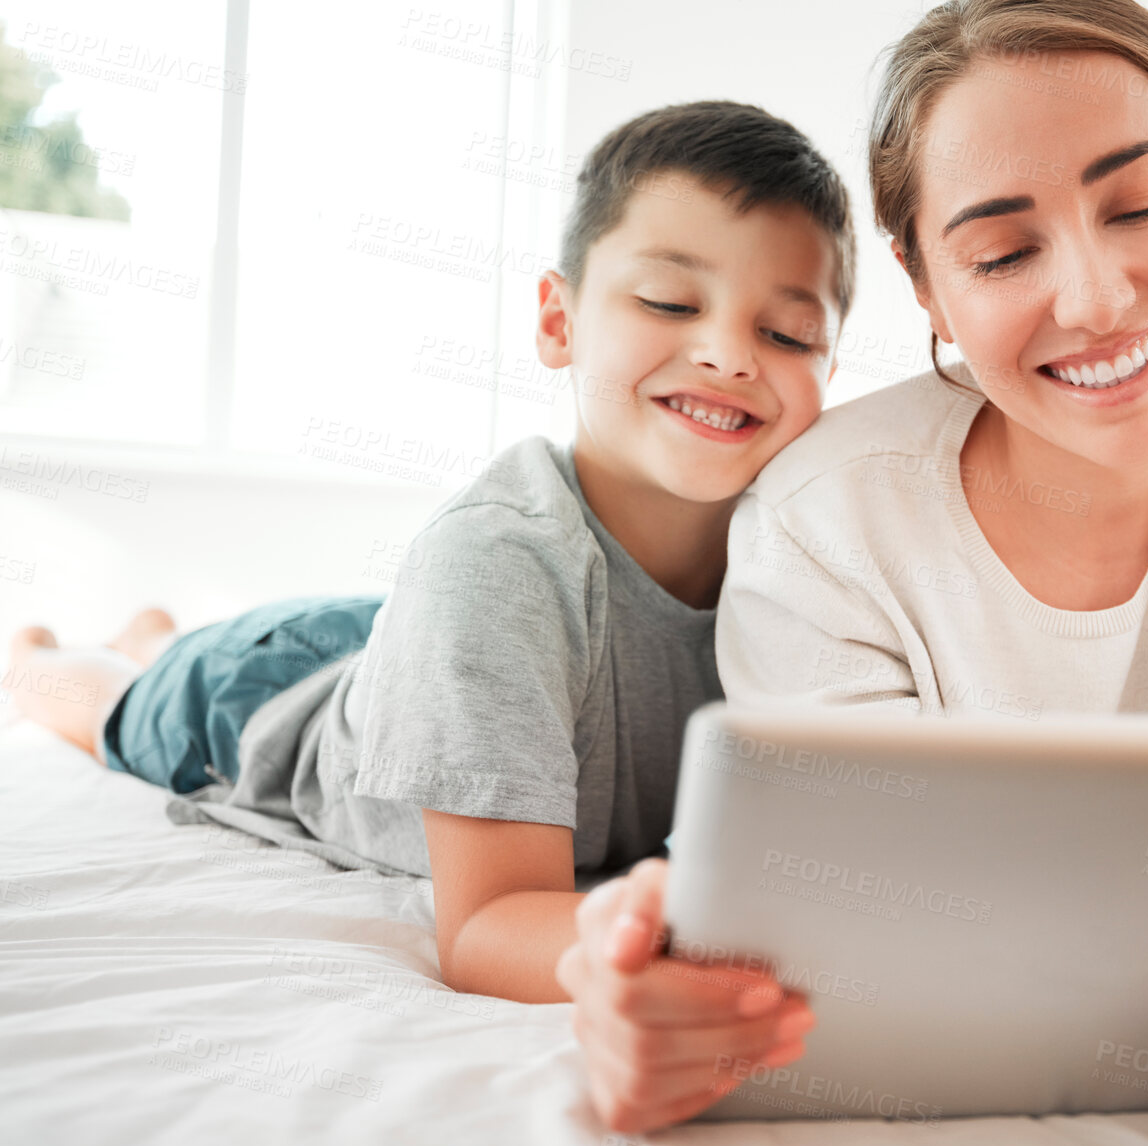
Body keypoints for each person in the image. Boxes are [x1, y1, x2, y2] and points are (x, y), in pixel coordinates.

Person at [561, 0, 1148, 1138]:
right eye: (1004, 252)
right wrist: (661, 993)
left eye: (1143, 204)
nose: (1097, 299)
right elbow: (842, 958)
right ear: (926, 285)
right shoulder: (824, 517)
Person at [4, 100, 851, 1083]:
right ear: (557, 319)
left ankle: (158, 631)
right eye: (669, 303)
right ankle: (55, 653)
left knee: (251, 637)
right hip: (265, 697)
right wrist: (641, 960)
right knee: (115, 697)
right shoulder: (491, 571)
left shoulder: (811, 558)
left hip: (406, 647)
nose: (732, 355)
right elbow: (488, 925)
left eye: (789, 331)